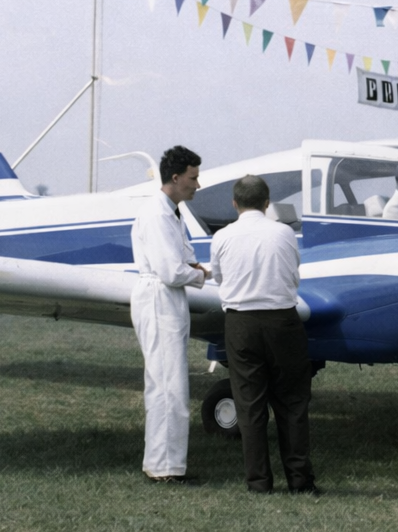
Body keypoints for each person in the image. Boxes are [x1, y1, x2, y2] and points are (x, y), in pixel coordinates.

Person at [209, 175, 317, 495]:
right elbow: (294, 270)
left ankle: (258, 482)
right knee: (293, 403)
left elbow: (218, 276)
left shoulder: (223, 237)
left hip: (241, 323)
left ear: (234, 203)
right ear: (267, 202)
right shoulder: (284, 233)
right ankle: (300, 481)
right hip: (283, 320)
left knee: (250, 406)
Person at [131, 146, 210, 484]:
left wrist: (191, 269)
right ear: (176, 178)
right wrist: (200, 275)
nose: (197, 184)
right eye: (193, 178)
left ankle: (163, 463)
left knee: (168, 383)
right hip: (160, 297)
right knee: (168, 386)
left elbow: (184, 261)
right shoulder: (159, 214)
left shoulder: (172, 213)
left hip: (168, 299)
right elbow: (171, 271)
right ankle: (164, 468)